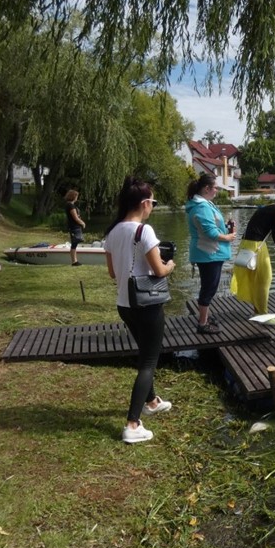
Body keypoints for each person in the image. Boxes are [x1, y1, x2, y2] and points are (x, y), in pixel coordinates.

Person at [104, 176, 176, 444]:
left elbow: (113, 273)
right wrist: (170, 265)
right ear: (145, 203)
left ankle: (152, 402)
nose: (153, 208)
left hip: (125, 304)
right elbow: (159, 270)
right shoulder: (144, 231)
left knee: (146, 353)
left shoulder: (112, 232)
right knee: (148, 362)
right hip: (148, 305)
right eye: (153, 203)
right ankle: (132, 425)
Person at [230, 186, 275, 326]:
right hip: (256, 246)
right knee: (264, 280)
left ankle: (257, 311)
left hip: (247, 244)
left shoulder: (267, 208)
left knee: (256, 280)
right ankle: (263, 315)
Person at [184, 173, 235, 335]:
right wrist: (228, 237)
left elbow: (210, 226)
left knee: (209, 287)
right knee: (209, 288)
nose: (217, 191)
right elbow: (210, 232)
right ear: (207, 189)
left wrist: (225, 226)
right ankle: (202, 324)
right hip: (209, 253)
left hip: (208, 252)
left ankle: (205, 317)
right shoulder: (202, 207)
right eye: (215, 188)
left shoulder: (203, 204)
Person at [64, 189, 86, 266]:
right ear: (73, 196)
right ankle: (74, 261)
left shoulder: (69, 205)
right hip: (74, 226)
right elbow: (75, 218)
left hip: (74, 226)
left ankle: (75, 261)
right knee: (74, 243)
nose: (77, 198)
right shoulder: (71, 205)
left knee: (75, 243)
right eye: (76, 196)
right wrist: (82, 223)